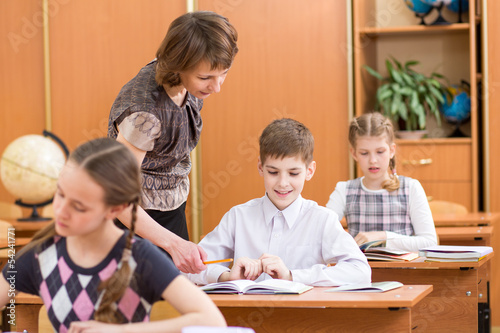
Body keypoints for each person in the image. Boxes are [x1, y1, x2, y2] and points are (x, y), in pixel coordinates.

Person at [0, 138, 226, 332]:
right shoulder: (42, 254)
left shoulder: (139, 256)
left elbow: (213, 321)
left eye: (79, 206)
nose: (61, 211)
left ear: (116, 209)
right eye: (60, 194)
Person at [107, 11, 239, 274]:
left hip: (171, 207)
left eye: (223, 73)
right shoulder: (143, 114)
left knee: (178, 293)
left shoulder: (189, 79)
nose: (217, 87)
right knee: (144, 306)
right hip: (135, 220)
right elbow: (116, 197)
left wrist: (176, 242)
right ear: (177, 64)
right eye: (205, 78)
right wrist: (173, 244)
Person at [187, 118, 371, 286]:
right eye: (273, 172)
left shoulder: (322, 220)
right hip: (245, 316)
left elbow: (360, 272)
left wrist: (292, 276)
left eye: (293, 173)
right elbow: (189, 268)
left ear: (310, 170)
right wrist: (227, 276)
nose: (283, 183)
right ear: (261, 167)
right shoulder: (238, 217)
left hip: (303, 318)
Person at [326, 112, 438, 252]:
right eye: (364, 153)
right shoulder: (344, 190)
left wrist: (384, 237)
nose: (373, 160)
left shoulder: (411, 188)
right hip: (360, 273)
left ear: (391, 151)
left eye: (380, 152)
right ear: (354, 154)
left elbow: (430, 242)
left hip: (403, 273)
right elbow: (323, 231)